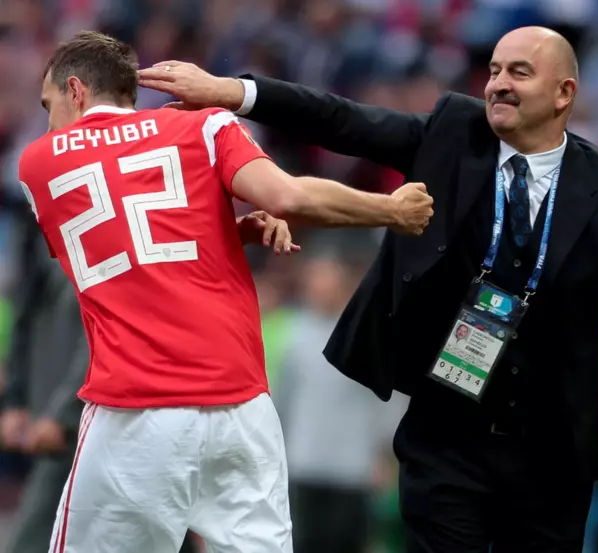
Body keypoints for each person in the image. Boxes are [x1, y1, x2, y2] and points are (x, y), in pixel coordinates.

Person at [139, 25, 598, 553]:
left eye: (519, 72)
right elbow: (342, 119)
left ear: (564, 93)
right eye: (494, 70)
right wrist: (233, 93)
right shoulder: (453, 134)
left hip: (554, 453)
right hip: (445, 438)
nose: (498, 84)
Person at [17, 31, 433, 553]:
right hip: (242, 411)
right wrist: (390, 209)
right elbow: (286, 197)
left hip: (134, 411)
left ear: (76, 90)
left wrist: (224, 233)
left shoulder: (39, 162)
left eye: (49, 105)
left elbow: (118, 249)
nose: (49, 121)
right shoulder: (207, 124)